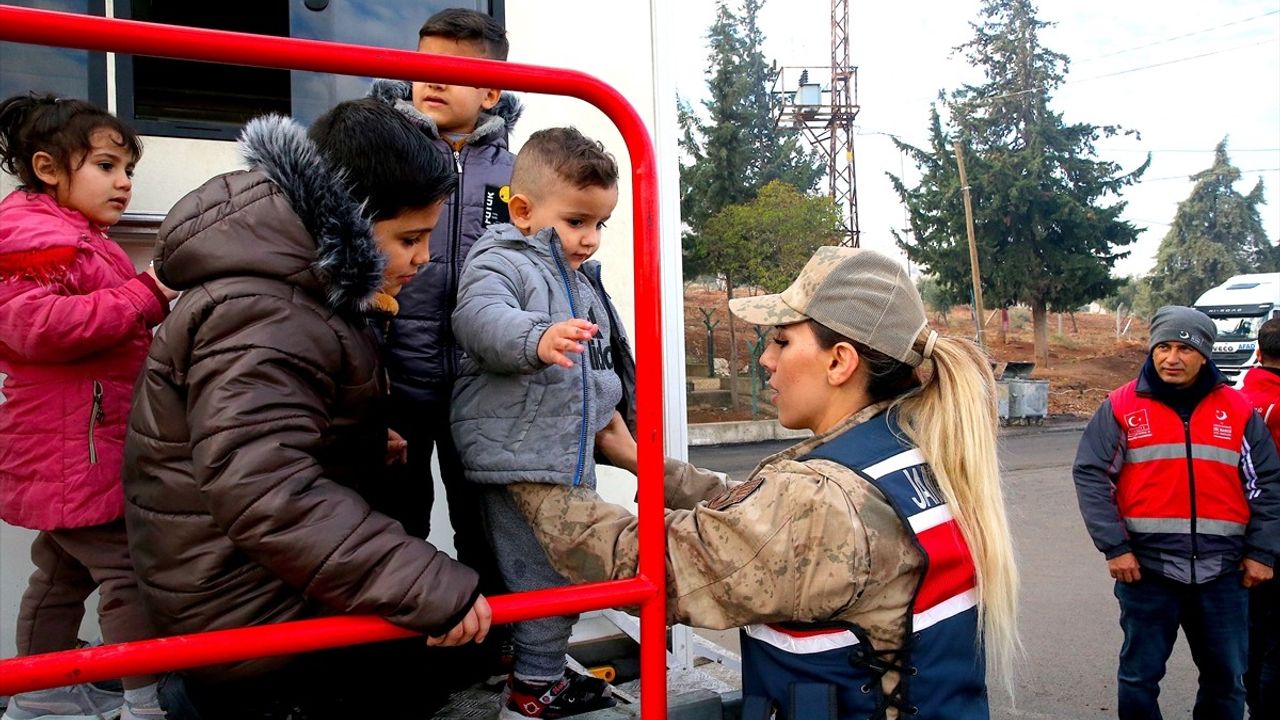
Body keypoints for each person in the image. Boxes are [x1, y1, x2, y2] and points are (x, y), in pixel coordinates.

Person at [499, 246, 1020, 719]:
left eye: (781, 340)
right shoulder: (917, 453)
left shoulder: (818, 503)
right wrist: (636, 459)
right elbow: (755, 519)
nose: (765, 361)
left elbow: (643, 564)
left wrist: (519, 460)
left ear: (840, 361)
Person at [122, 99, 490, 720]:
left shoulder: (290, 288)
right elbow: (263, 486)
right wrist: (420, 580)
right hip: (255, 621)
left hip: (256, 583)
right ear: (346, 219)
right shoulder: (268, 312)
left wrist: (360, 441)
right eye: (410, 238)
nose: (423, 259)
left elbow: (264, 437)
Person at [0, 93, 176, 720]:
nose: (125, 183)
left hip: (76, 438)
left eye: (128, 169)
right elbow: (38, 328)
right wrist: (145, 295)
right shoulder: (39, 242)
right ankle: (144, 700)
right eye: (107, 166)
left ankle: (39, 696)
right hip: (78, 444)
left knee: (60, 573)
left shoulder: (73, 236)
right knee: (129, 571)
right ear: (49, 169)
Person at [450, 127, 635, 719]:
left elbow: (600, 362)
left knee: (560, 574)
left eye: (601, 223)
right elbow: (479, 318)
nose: (591, 238)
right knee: (543, 579)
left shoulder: (578, 279)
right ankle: (535, 687)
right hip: (521, 457)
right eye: (577, 221)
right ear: (524, 209)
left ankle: (536, 675)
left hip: (563, 453)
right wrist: (537, 337)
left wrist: (619, 412)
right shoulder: (501, 259)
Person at [1073, 305, 1280, 720]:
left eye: (1185, 348)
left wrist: (1261, 553)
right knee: (1139, 679)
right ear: (1151, 351)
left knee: (1226, 681)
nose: (1172, 358)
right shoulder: (1120, 406)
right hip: (1146, 572)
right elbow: (1093, 476)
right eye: (1163, 347)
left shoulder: (1237, 411)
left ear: (1205, 354)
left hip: (1224, 574)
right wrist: (1115, 548)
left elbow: (1267, 484)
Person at [1241, 317, 1280, 718]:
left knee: (1252, 629)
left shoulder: (1235, 398)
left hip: (1238, 530)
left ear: (1257, 350)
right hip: (1273, 529)